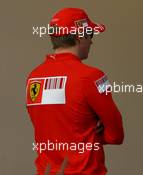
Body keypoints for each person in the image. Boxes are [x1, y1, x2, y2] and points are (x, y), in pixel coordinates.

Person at [26, 8, 124, 175]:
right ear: (80, 37)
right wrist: (92, 132)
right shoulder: (93, 77)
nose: (91, 42)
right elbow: (116, 135)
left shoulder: (34, 78)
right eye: (90, 35)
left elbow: (48, 127)